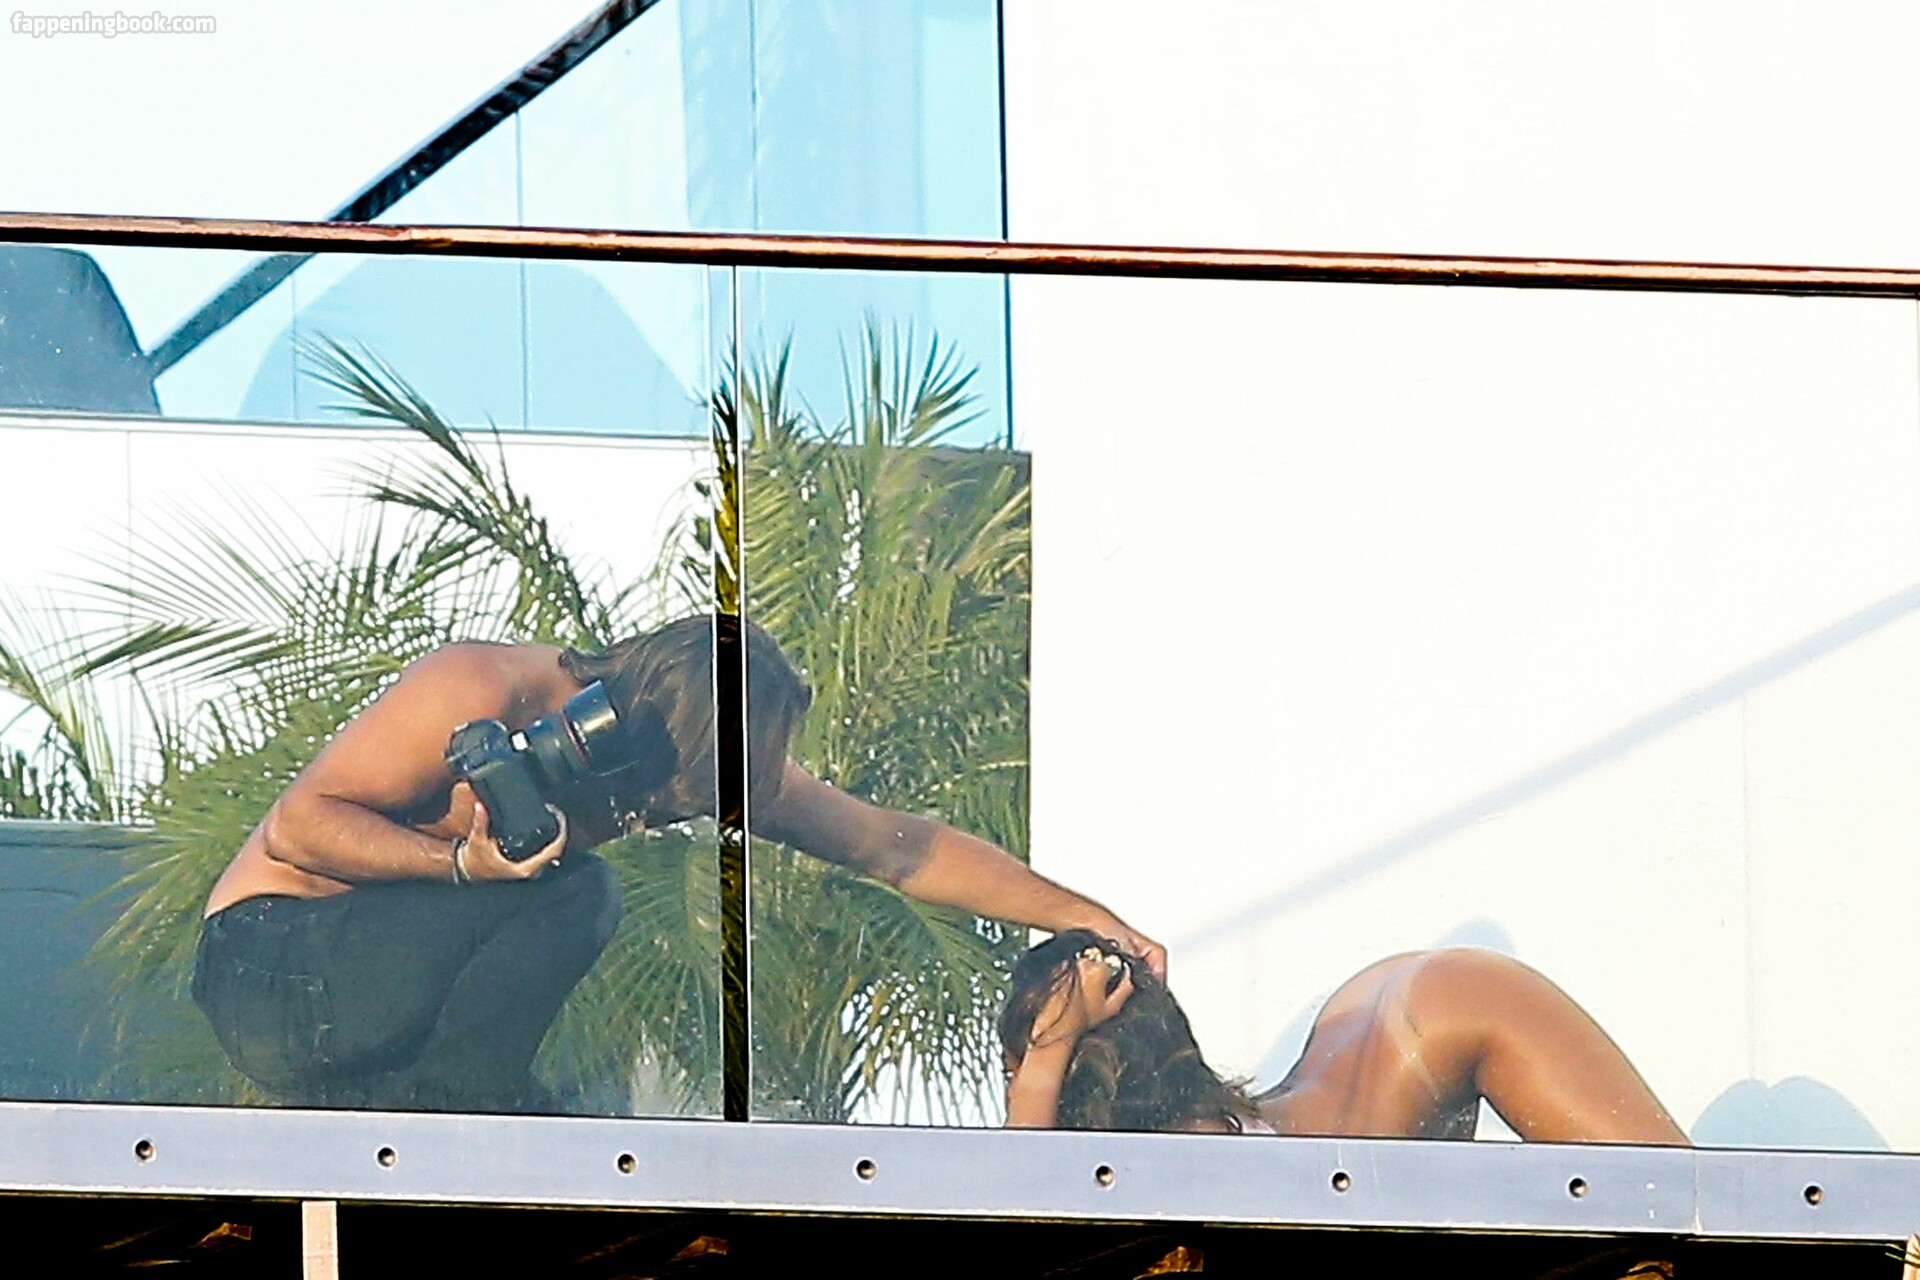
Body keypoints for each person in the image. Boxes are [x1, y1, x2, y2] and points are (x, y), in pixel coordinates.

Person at [191, 615, 1159, 1112]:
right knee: (577, 889)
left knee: (566, 908)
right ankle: (467, 1115)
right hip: (267, 963)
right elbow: (296, 828)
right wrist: (459, 865)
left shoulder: (699, 754)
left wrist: (1091, 917)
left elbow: (894, 846)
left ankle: (466, 1117)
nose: (692, 807)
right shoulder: (486, 685)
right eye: (699, 789)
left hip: (372, 1027)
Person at [999, 929, 1688, 1144]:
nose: (1016, 1093)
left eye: (1018, 1070)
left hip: (1438, 1007)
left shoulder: (1188, 1148)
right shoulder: (1162, 1152)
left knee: (1676, 1208)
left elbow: (1022, 1205)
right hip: (1377, 1023)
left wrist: (1046, 1056)